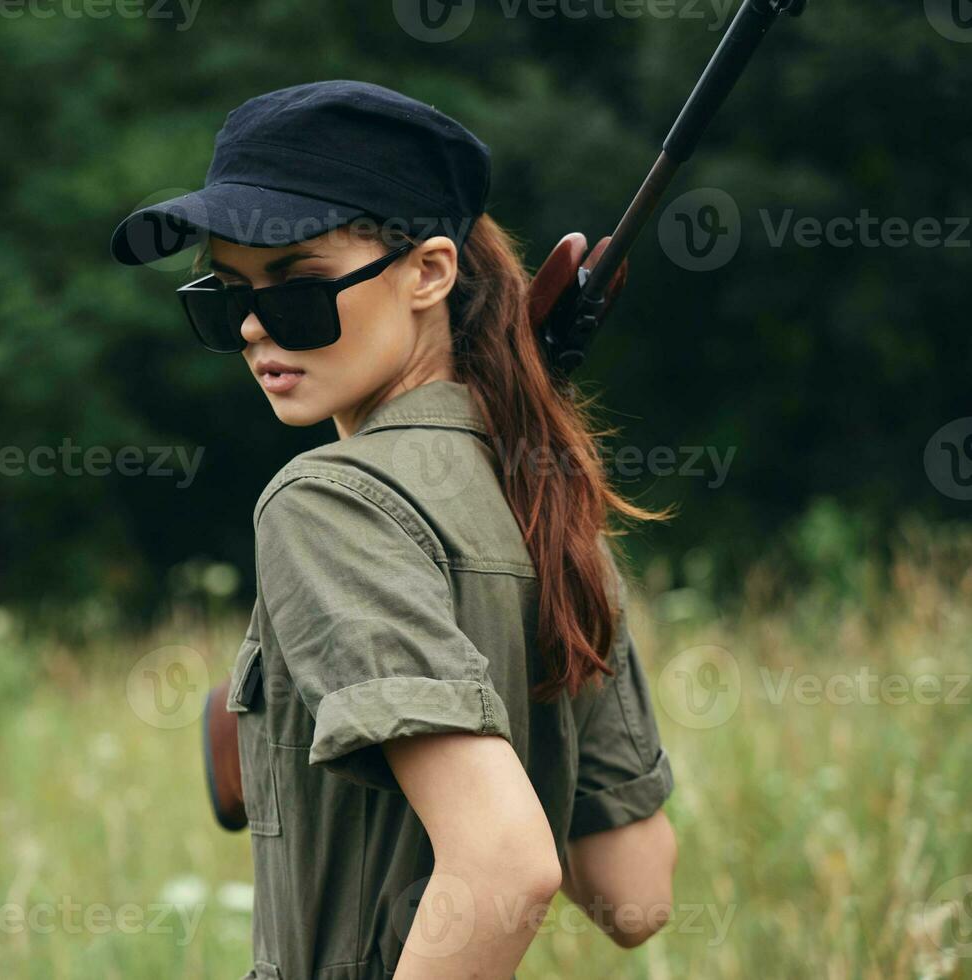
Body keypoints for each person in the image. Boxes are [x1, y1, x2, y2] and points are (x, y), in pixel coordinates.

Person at [110, 79, 678, 980]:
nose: (256, 326)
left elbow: (506, 862)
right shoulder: (543, 497)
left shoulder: (325, 500)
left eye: (298, 288)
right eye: (225, 298)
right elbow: (634, 886)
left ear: (429, 273)